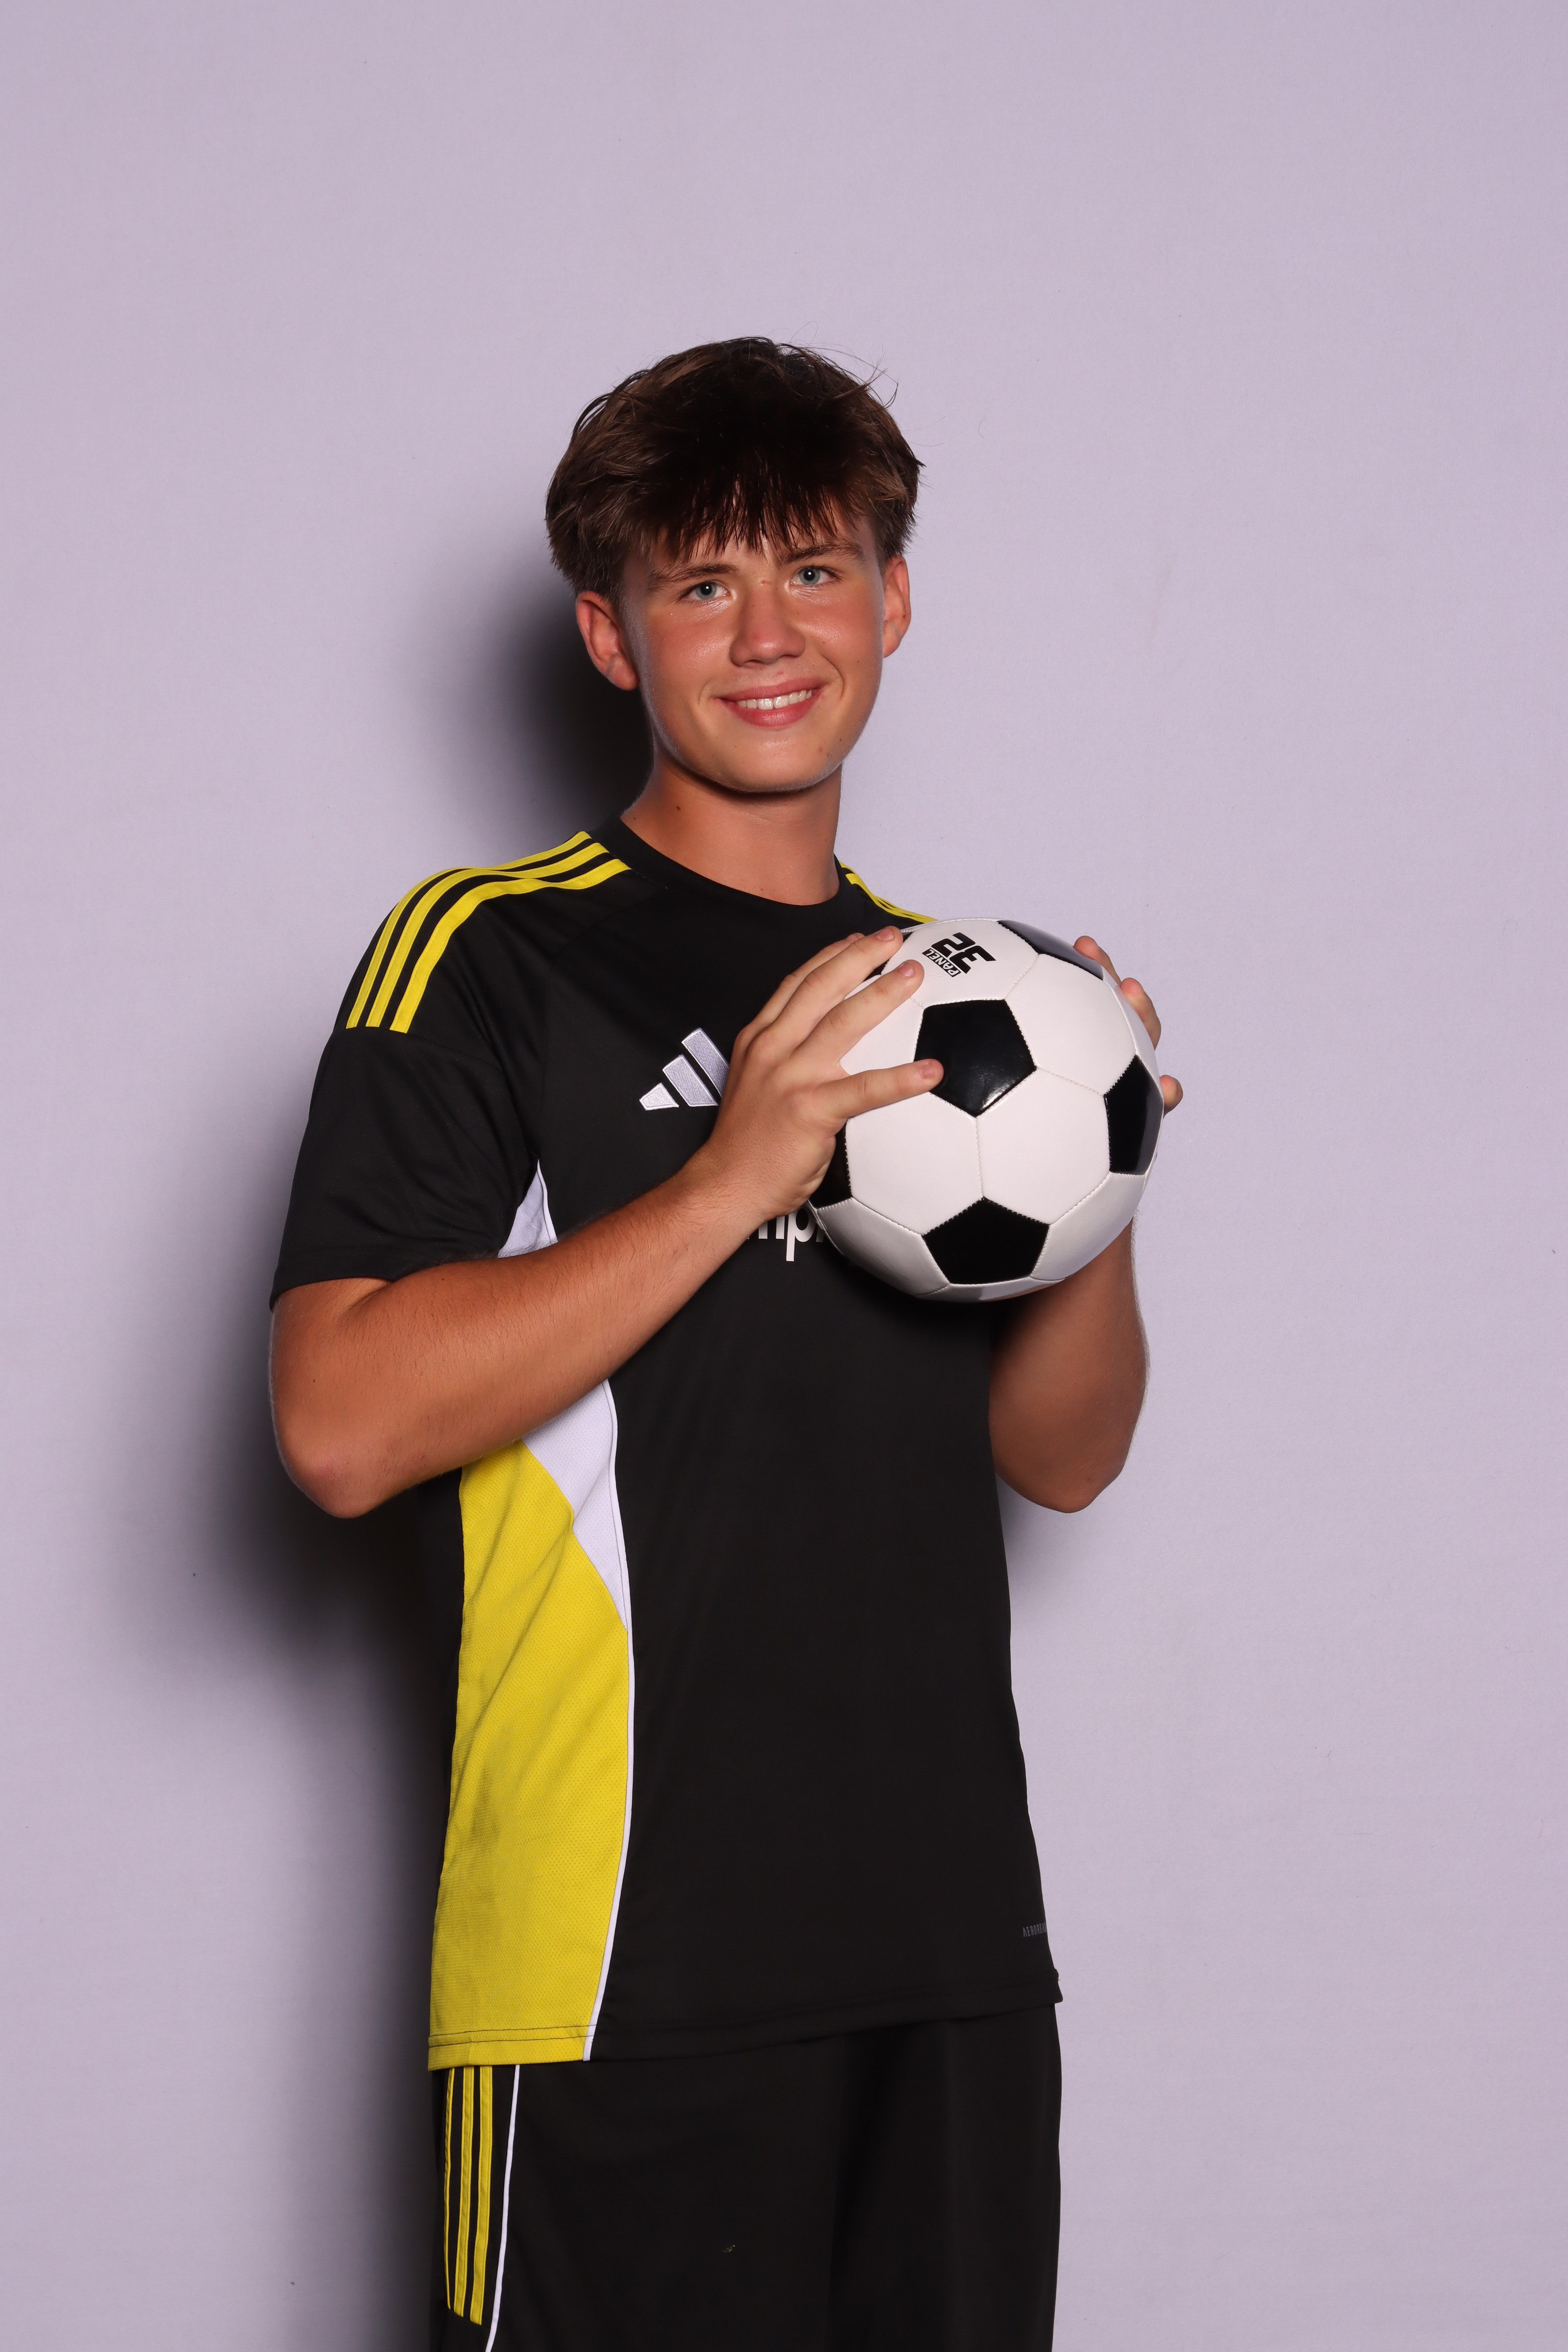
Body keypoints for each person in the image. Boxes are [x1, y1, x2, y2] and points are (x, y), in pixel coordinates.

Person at [270, 337, 1181, 2352]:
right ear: (610, 635)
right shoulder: (491, 954)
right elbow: (336, 1423)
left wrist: (1094, 1169)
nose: (770, 635)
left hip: (948, 1956)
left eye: (815, 570)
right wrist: (726, 1177)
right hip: (617, 1970)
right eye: (702, 584)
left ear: (892, 600)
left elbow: (1063, 1457)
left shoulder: (953, 1001)